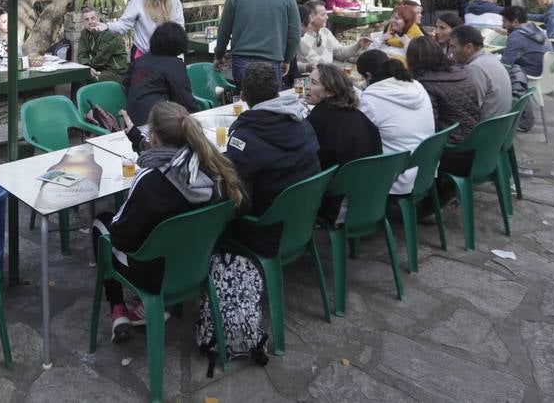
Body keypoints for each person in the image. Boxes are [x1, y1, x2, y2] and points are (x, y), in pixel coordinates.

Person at [92, 101, 244, 341]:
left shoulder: (150, 181)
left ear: (153, 135)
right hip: (196, 262)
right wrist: (135, 136)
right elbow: (167, 161)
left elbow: (121, 235)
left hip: (153, 273)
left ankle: (118, 310)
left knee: (101, 223)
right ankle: (154, 307)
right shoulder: (212, 168)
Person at [224, 63, 321, 255]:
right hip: (303, 222)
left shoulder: (246, 137)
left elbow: (238, 200)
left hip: (266, 233)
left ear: (243, 96)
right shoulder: (303, 123)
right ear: (277, 91)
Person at [305, 62, 381, 222]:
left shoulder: (318, 120)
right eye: (308, 81)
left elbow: (308, 167)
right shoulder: (359, 116)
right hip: (372, 200)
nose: (306, 87)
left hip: (339, 206)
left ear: (330, 91)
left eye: (313, 83)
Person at [353, 50, 435, 196]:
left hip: (396, 179)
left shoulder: (371, 99)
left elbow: (355, 133)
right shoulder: (417, 86)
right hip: (425, 171)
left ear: (368, 76)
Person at [214, 0, 302, 88]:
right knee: (269, 103)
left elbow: (224, 29)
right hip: (273, 60)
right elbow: (294, 33)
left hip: (242, 59)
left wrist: (219, 55)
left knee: (244, 101)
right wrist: (287, 59)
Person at [406, 36, 479, 177]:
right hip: (472, 139)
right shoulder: (459, 72)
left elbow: (429, 127)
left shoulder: (426, 84)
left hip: (452, 150)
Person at [99, 0, 185, 59]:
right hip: (144, 55)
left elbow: (179, 27)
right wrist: (107, 26)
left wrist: (179, 55)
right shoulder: (138, 0)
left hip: (168, 55)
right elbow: (124, 24)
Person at [124, 22, 196, 125]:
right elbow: (185, 98)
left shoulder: (139, 61)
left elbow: (126, 83)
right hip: (158, 122)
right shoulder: (174, 64)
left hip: (133, 120)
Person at [447, 25, 513, 120]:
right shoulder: (490, 58)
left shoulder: (475, 68)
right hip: (500, 126)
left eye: (453, 47)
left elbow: (470, 107)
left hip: (485, 129)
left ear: (469, 47)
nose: (451, 52)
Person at [297, 0, 361, 71]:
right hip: (305, 79)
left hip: (327, 77)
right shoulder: (299, 36)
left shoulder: (325, 32)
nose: (327, 17)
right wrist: (306, 67)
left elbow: (340, 53)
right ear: (311, 17)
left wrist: (358, 45)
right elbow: (288, 65)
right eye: (323, 14)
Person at [76, 6, 130, 84]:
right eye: (86, 19)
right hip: (99, 68)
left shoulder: (109, 33)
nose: (90, 22)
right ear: (83, 22)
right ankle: (78, 96)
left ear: (98, 18)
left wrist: (89, 68)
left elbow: (101, 59)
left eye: (93, 18)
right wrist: (87, 66)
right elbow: (82, 53)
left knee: (90, 78)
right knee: (77, 76)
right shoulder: (85, 33)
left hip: (115, 70)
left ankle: (91, 96)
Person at [500, 5, 554, 77]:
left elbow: (506, 66)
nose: (503, 26)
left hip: (531, 74)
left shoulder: (515, 36)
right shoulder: (537, 28)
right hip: (546, 72)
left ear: (515, 22)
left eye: (504, 21)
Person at [358, 4, 423, 54]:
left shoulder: (416, 39)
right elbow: (368, 55)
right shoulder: (388, 34)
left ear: (406, 21)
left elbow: (418, 62)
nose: (392, 20)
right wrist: (380, 39)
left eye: (396, 18)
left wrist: (407, 46)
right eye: (392, 17)